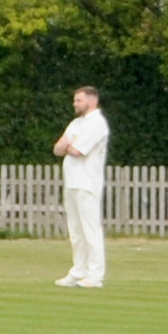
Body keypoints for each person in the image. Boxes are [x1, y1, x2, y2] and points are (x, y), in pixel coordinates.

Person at [53, 86, 110, 288]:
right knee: (76, 231)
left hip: (87, 183)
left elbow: (77, 150)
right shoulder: (76, 123)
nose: (75, 104)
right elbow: (58, 148)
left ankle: (95, 275)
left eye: (79, 100)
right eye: (75, 100)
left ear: (91, 101)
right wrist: (67, 145)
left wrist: (68, 145)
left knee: (90, 229)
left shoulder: (97, 124)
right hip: (72, 182)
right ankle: (78, 271)